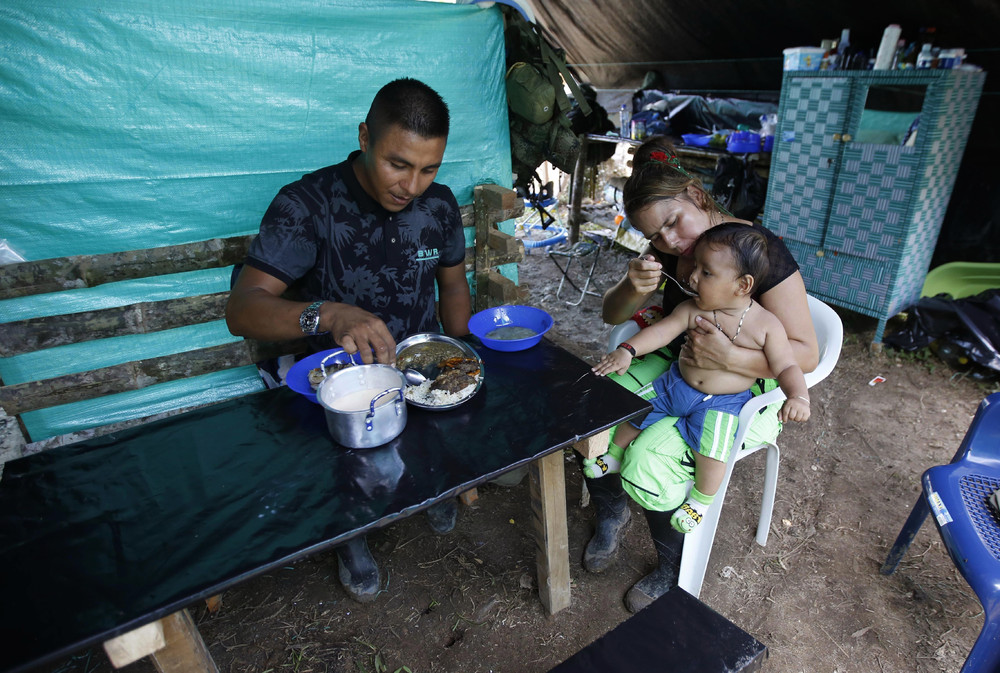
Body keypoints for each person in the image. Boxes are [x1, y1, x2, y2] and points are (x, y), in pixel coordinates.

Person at [226, 78, 471, 603]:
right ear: (364, 137)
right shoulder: (308, 206)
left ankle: (433, 488)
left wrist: (463, 357)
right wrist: (329, 314)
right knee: (346, 456)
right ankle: (349, 535)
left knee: (440, 423)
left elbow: (452, 285)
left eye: (429, 168)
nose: (412, 186)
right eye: (397, 164)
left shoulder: (440, 208)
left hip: (413, 364)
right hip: (332, 377)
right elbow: (242, 310)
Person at [584, 137, 819, 612]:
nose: (670, 242)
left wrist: (730, 359)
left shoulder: (757, 253)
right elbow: (615, 316)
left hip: (740, 389)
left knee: (649, 458)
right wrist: (631, 288)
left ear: (696, 195)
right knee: (592, 408)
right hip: (677, 371)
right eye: (655, 236)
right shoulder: (672, 254)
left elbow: (806, 354)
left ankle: (672, 562)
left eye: (672, 222)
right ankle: (612, 511)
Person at [586, 222, 811, 536]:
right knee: (636, 410)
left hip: (723, 402)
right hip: (675, 384)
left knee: (713, 452)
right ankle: (615, 456)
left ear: (743, 285)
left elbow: (787, 366)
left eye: (706, 272)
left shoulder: (766, 325)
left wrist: (798, 396)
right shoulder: (694, 308)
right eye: (695, 267)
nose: (691, 276)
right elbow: (663, 331)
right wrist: (628, 349)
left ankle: (702, 501)